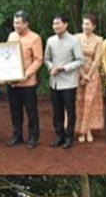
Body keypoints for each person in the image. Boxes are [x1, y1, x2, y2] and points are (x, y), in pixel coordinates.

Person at [44, 14, 84, 149]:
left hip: (69, 82)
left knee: (70, 110)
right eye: (54, 24)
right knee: (57, 111)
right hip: (54, 81)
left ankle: (69, 137)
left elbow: (80, 60)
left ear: (65, 25)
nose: (56, 26)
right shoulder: (50, 40)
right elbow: (47, 59)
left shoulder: (74, 40)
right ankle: (59, 136)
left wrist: (63, 68)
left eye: (58, 23)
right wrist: (51, 67)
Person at [5, 10, 44, 148]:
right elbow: (7, 56)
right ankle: (17, 135)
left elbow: (38, 60)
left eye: (19, 23)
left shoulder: (35, 38)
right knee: (15, 110)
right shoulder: (11, 36)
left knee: (31, 110)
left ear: (26, 23)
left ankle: (33, 137)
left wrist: (26, 74)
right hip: (13, 82)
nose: (16, 26)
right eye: (15, 23)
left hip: (28, 82)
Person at [75, 14, 105, 143]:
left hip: (92, 74)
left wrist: (89, 75)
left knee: (90, 101)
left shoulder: (99, 40)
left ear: (94, 26)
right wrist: (82, 74)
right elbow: (75, 57)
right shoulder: (76, 38)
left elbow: (97, 59)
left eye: (88, 24)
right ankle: (81, 130)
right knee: (79, 101)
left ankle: (88, 130)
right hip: (78, 72)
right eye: (83, 23)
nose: (85, 26)